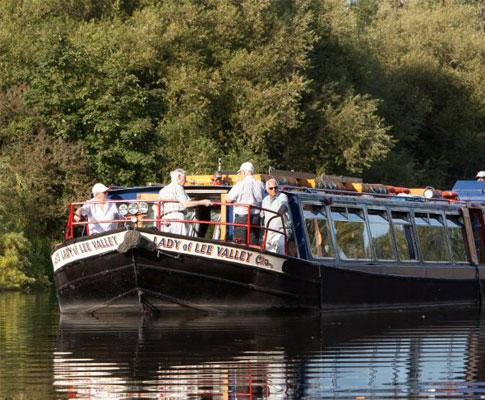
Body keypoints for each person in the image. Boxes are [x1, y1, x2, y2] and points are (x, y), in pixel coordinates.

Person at [158, 168, 211, 236]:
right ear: (179, 177)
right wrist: (203, 202)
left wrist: (161, 218)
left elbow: (155, 207)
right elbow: (186, 204)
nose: (185, 181)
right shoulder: (178, 187)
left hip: (165, 220)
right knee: (180, 241)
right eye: (184, 178)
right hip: (177, 219)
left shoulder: (163, 190)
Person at [226, 161, 265, 245]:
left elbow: (228, 199)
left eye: (240, 173)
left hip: (242, 218)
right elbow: (263, 199)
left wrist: (236, 183)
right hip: (256, 217)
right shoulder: (260, 184)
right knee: (253, 244)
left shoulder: (241, 184)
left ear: (243, 172)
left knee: (240, 245)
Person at [261, 178, 290, 255]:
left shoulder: (282, 196)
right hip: (269, 232)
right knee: (267, 253)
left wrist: (280, 212)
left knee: (280, 246)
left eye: (276, 187)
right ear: (267, 190)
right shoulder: (264, 201)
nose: (274, 189)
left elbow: (284, 205)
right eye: (271, 188)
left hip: (280, 231)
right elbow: (261, 216)